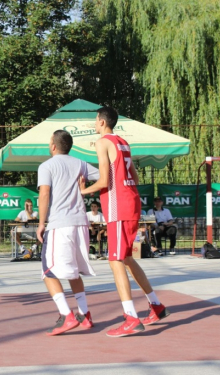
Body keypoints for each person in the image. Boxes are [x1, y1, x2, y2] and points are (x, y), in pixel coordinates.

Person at [80, 106, 170, 337]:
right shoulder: (123, 142)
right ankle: (156, 306)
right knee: (127, 258)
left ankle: (131, 317)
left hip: (118, 205)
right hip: (131, 200)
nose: (94, 123)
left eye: (94, 119)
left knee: (116, 260)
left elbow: (103, 181)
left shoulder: (102, 143)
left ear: (101, 121)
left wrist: (81, 191)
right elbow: (135, 177)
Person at [36, 130, 99, 336]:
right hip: (80, 223)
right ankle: (84, 314)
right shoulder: (80, 163)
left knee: (48, 271)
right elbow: (103, 176)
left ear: (53, 145)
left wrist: (41, 223)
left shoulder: (46, 166)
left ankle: (67, 315)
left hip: (60, 224)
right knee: (73, 271)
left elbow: (44, 193)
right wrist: (85, 190)